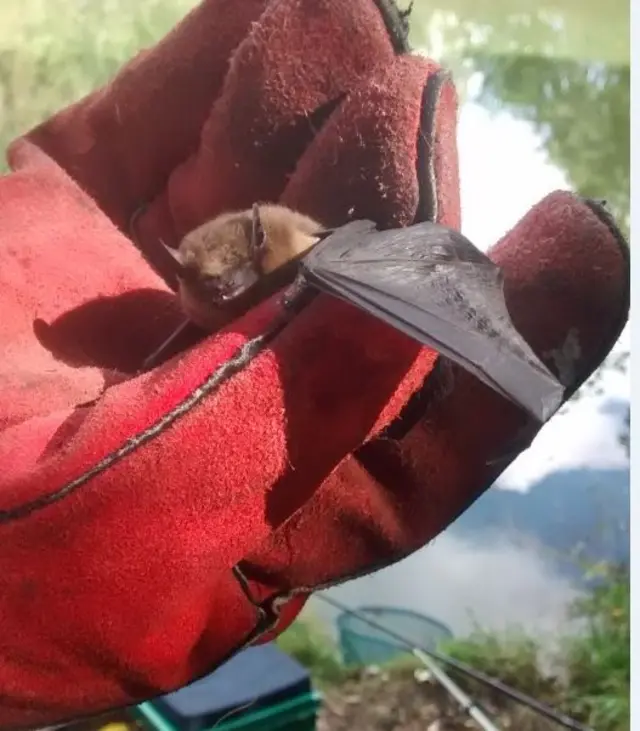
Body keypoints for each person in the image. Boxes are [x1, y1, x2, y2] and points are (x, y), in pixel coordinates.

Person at [0, 0, 629, 728]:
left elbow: (238, 269)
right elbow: (206, 274)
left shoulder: (280, 270)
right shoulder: (205, 275)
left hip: (315, 263)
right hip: (279, 262)